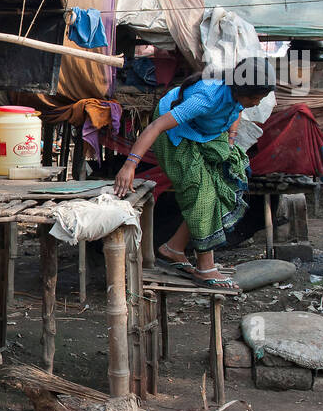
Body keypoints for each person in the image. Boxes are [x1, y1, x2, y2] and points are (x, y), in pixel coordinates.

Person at [113, 56, 277, 288]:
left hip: (207, 133)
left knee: (227, 180)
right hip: (175, 136)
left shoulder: (238, 93)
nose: (257, 103)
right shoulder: (206, 99)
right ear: (241, 90)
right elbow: (156, 127)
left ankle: (173, 248)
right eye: (255, 98)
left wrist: (230, 138)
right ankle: (204, 266)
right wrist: (129, 165)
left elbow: (237, 109)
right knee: (202, 193)